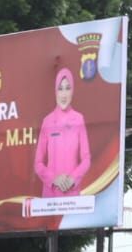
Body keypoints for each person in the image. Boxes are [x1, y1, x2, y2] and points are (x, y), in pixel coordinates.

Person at [33, 67, 91, 197]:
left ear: (73, 91)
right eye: (60, 88)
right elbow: (38, 163)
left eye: (67, 88)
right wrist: (54, 179)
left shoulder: (79, 119)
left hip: (72, 196)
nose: (64, 94)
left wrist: (73, 178)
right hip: (50, 197)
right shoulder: (47, 121)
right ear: (55, 92)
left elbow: (86, 159)